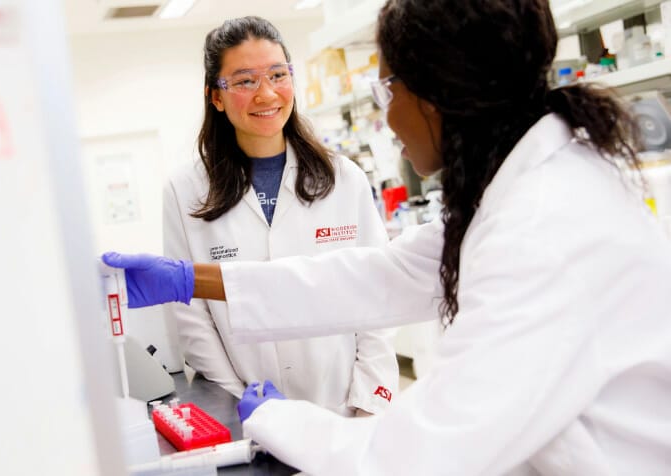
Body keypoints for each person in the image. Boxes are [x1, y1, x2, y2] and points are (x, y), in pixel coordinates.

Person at [102, 0, 671, 474]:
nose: (389, 119)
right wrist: (187, 279)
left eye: (388, 90)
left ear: (438, 93)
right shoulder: (515, 195)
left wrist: (281, 419)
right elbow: (376, 274)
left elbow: (424, 451)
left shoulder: (544, 228)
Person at [162, 16, 400, 417]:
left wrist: (367, 403)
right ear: (215, 96)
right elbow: (192, 318)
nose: (267, 93)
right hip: (249, 415)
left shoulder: (345, 179)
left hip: (345, 409)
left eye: (277, 74)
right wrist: (241, 403)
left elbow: (380, 295)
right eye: (244, 81)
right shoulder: (185, 191)